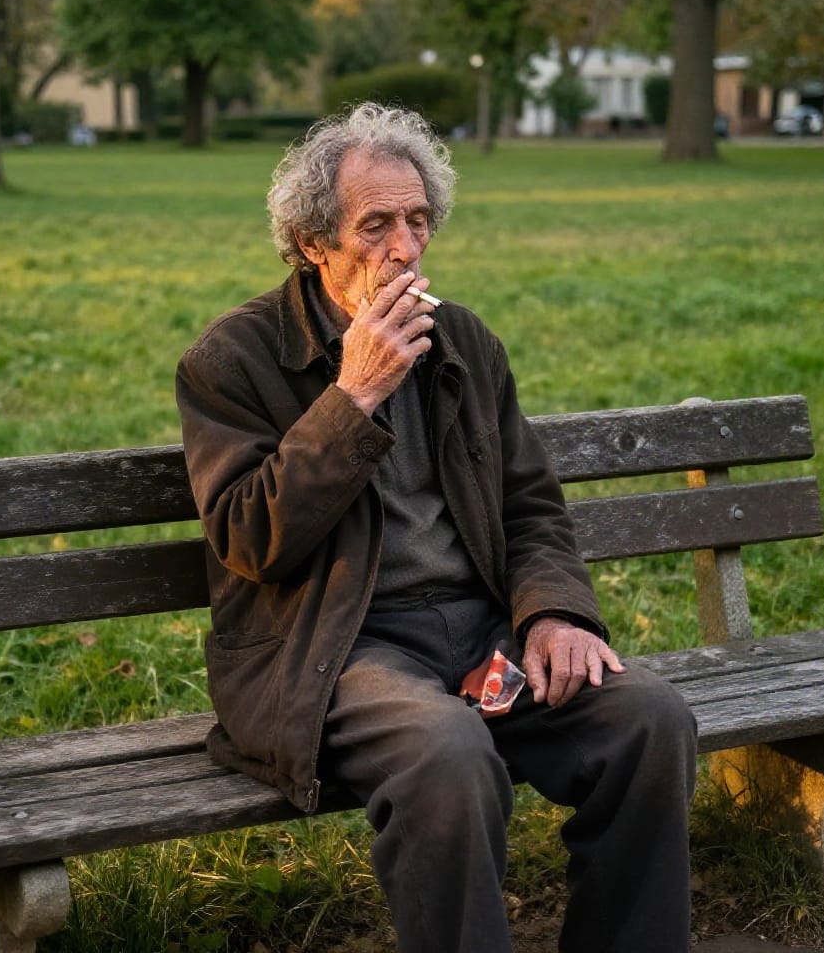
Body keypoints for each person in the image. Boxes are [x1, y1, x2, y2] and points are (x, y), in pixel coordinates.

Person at [176, 103, 697, 953]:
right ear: (313, 242)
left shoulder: (462, 340)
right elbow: (250, 541)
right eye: (375, 225)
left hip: (480, 634)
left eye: (418, 221)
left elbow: (530, 503)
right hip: (333, 648)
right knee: (447, 755)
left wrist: (553, 615)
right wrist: (354, 398)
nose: (406, 248)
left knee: (649, 720)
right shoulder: (232, 362)